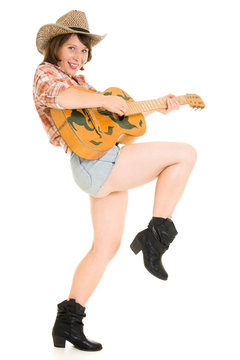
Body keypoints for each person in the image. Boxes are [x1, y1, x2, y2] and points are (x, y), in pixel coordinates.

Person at [33, 10, 197, 352]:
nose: (79, 57)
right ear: (56, 49)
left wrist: (158, 107)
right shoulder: (46, 74)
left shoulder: (84, 84)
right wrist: (106, 100)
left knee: (104, 248)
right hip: (95, 163)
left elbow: (118, 123)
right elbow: (63, 98)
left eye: (84, 51)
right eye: (72, 49)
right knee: (185, 153)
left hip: (101, 162)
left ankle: (67, 323)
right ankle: (157, 234)